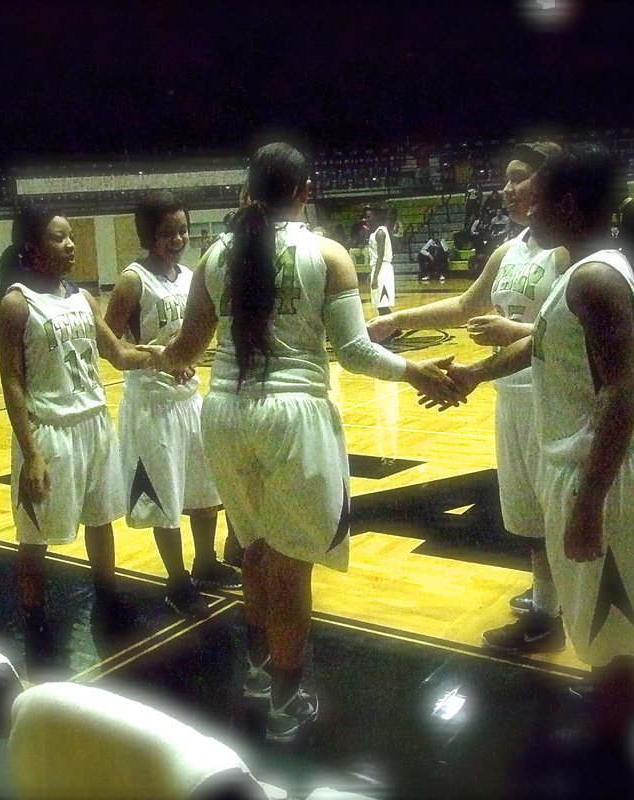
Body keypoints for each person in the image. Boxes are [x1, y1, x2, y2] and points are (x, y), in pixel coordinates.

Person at [154, 143, 461, 743]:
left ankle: (257, 668)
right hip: (293, 415)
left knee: (254, 549)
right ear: (306, 191)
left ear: (248, 193)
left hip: (222, 412)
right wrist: (415, 371)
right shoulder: (328, 254)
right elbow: (351, 352)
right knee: (292, 562)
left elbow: (185, 350)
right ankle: (287, 702)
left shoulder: (215, 255)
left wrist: (139, 355)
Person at [430, 144, 634, 786]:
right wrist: (476, 374)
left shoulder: (594, 277)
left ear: (565, 204)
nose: (525, 208)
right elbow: (545, 346)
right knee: (609, 622)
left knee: (610, 623)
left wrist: (589, 503)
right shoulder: (585, 268)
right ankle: (618, 718)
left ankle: (613, 755)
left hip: (605, 471)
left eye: (536, 196)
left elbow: (624, 395)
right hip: (596, 466)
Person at [369, 142, 571, 653]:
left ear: (548, 184)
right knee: (527, 511)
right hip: (512, 395)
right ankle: (548, 594)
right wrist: (397, 319)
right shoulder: (509, 251)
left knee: (559, 507)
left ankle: (555, 612)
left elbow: (572, 329)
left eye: (518, 178)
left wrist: (514, 329)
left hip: (558, 397)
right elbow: (464, 305)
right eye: (505, 178)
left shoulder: (567, 251)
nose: (506, 188)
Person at [0, 204, 158, 673]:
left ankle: (107, 596)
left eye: (70, 237)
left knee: (102, 519)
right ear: (32, 246)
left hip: (95, 424)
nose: (70, 244)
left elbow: (120, 354)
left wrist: (165, 355)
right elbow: (13, 385)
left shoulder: (84, 299)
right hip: (50, 434)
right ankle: (35, 620)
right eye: (58, 238)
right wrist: (32, 455)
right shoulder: (16, 305)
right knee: (35, 537)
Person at [104, 192, 240, 620]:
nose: (178, 237)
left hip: (189, 399)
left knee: (204, 491)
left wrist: (187, 358)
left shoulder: (190, 275)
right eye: (168, 231)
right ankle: (176, 579)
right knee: (165, 497)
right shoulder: (133, 279)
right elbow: (109, 342)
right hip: (152, 404)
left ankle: (205, 561)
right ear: (149, 234)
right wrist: (157, 359)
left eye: (182, 229)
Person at [368, 204, 398, 317]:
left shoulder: (380, 232)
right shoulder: (377, 231)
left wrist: (375, 276)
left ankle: (394, 329)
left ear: (375, 218)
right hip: (378, 268)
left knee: (382, 305)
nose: (367, 219)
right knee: (379, 304)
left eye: (369, 217)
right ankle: (393, 329)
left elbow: (380, 256)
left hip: (382, 270)